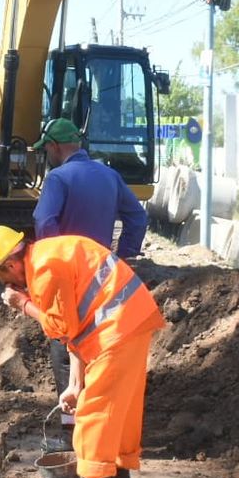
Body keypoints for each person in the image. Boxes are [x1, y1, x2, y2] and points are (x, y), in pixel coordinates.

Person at [0, 226, 164, 478]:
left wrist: (23, 304)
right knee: (120, 407)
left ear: (11, 264)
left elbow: (61, 328)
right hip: (128, 322)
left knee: (96, 410)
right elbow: (73, 335)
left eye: (1, 276)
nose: (6, 283)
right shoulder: (49, 256)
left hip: (117, 329)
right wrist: (75, 384)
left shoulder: (46, 269)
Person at [31, 117, 148, 453]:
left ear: (54, 147)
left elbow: (43, 219)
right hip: (104, 282)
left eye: (47, 150)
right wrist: (121, 258)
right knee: (98, 354)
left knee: (66, 349)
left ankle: (74, 432)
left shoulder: (58, 178)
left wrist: (53, 259)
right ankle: (101, 432)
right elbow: (137, 217)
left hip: (69, 282)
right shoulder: (110, 175)